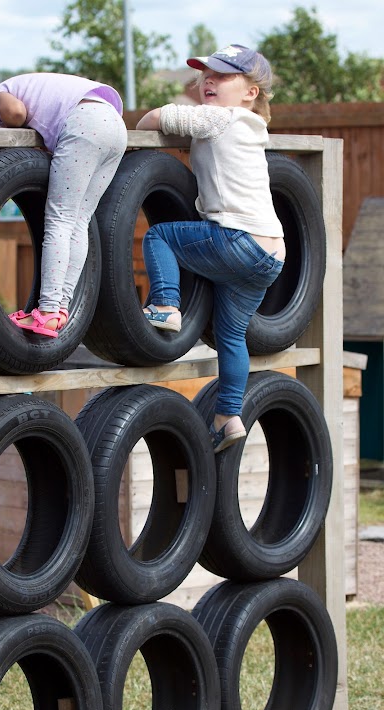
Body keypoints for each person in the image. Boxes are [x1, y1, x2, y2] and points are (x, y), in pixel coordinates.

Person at [136, 45, 285, 453]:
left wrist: (148, 132)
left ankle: (165, 303)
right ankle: (229, 416)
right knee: (231, 335)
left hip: (236, 239)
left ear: (251, 91)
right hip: (270, 254)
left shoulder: (218, 119)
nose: (209, 81)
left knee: (160, 237)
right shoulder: (252, 127)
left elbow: (155, 118)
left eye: (223, 76)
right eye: (205, 75)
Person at [0, 73, 127, 338]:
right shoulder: (24, 87)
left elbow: (14, 113)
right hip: (115, 126)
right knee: (78, 220)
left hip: (84, 124)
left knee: (60, 219)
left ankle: (48, 310)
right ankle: (60, 308)